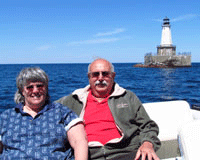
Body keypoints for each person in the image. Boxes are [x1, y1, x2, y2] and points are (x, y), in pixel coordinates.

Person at [56, 58, 161, 160]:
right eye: (96, 74)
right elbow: (47, 108)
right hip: (88, 154)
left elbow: (148, 126)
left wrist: (148, 143)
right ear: (89, 77)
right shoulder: (73, 99)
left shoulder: (128, 97)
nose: (100, 78)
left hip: (126, 151)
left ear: (113, 76)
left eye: (105, 74)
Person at [0, 67, 88, 160]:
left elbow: (80, 142)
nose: (35, 90)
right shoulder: (6, 117)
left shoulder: (62, 112)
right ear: (22, 91)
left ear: (46, 88)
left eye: (40, 86)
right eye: (30, 87)